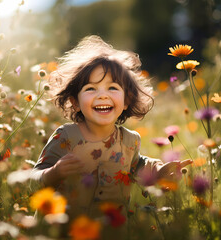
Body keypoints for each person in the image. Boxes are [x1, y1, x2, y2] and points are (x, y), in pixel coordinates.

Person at [31, 35, 192, 219]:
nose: (102, 95)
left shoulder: (130, 141)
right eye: (91, 88)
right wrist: (54, 172)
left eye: (113, 88)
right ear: (75, 102)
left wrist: (158, 171)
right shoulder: (66, 137)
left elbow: (137, 165)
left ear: (126, 100)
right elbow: (33, 181)